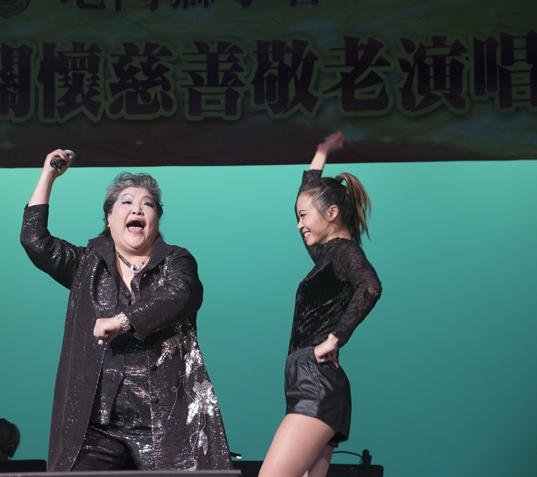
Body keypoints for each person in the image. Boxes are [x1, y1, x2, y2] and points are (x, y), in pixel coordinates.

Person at [20, 149, 232, 472]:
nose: (137, 209)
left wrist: (123, 321)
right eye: (127, 202)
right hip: (98, 426)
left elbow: (183, 293)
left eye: (148, 204)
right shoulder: (85, 265)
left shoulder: (176, 261)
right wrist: (48, 175)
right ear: (109, 218)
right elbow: (34, 240)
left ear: (156, 220)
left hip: (164, 422)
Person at [259, 132, 382, 477]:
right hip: (306, 381)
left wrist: (336, 337)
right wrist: (321, 152)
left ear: (331, 213)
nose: (299, 225)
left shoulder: (344, 252)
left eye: (303, 216)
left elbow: (370, 287)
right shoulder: (326, 256)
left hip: (316, 381)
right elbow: (308, 190)